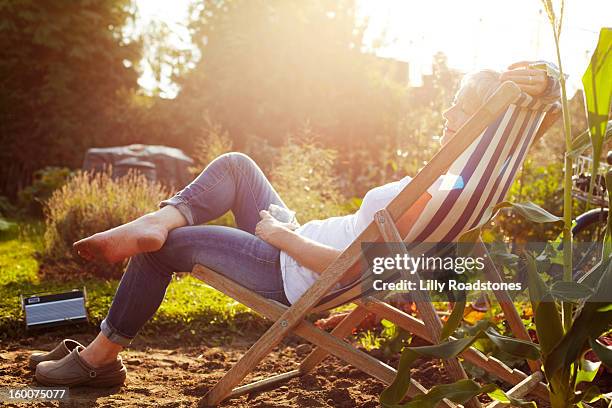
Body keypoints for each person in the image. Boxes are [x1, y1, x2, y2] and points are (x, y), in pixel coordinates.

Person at [30, 61, 559, 387]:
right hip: (297, 249)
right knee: (237, 166)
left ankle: (102, 358)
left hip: (289, 269)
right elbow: (389, 270)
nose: (445, 109)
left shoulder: (433, 192)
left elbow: (343, 265)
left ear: (472, 119)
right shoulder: (457, 191)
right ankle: (157, 218)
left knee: (161, 249)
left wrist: (283, 236)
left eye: (455, 105)